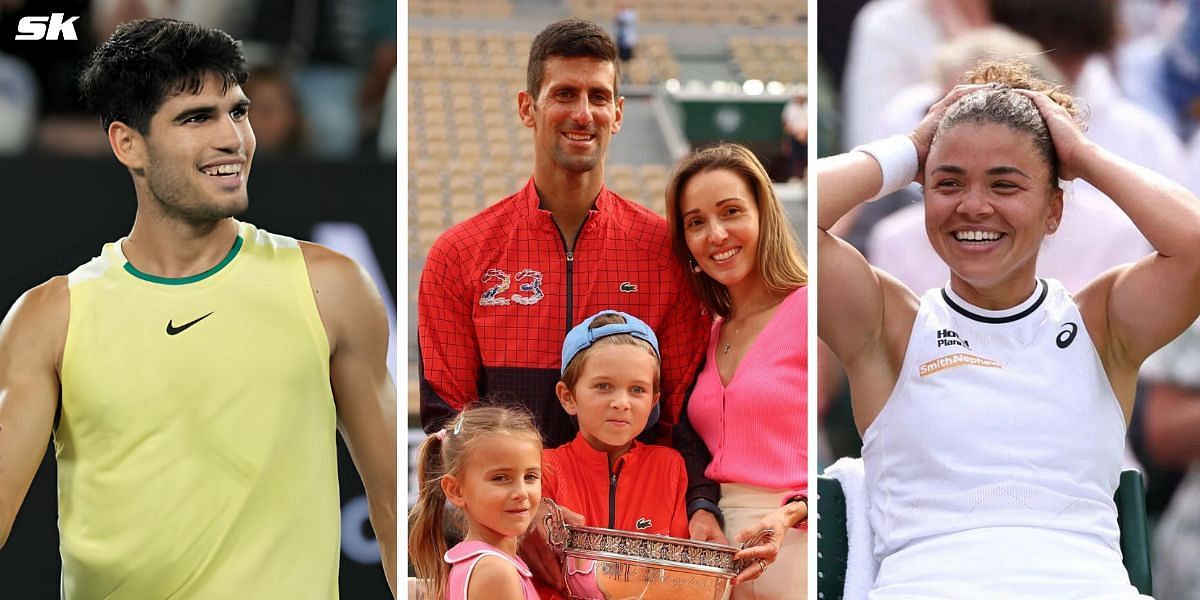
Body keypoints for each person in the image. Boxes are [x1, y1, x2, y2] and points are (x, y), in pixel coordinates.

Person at [0, 19, 396, 598]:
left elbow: (393, 505)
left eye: (237, 111)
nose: (233, 138)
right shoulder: (50, 317)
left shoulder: (330, 287)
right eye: (195, 118)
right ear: (127, 143)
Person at [817, 60, 1200, 596]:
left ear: (1054, 209)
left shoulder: (1102, 323)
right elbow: (780, 220)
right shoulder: (888, 326)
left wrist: (1082, 156)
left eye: (1006, 184)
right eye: (948, 182)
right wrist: (910, 149)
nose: (974, 206)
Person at [417, 17, 707, 450]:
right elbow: (450, 424)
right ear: (526, 107)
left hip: (630, 517)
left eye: (599, 97)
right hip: (508, 513)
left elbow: (679, 422)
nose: (583, 113)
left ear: (618, 114)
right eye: (564, 94)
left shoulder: (664, 251)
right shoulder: (459, 254)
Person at [665, 143, 810, 598]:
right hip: (721, 556)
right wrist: (703, 508)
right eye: (696, 223)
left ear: (764, 214)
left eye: (731, 212)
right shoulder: (708, 331)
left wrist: (790, 513)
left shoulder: (810, 307)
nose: (716, 234)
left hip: (797, 544)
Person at [409, 405, 543, 600]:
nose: (521, 493)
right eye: (500, 478)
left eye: (530, 476)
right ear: (455, 490)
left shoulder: (483, 564)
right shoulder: (495, 571)